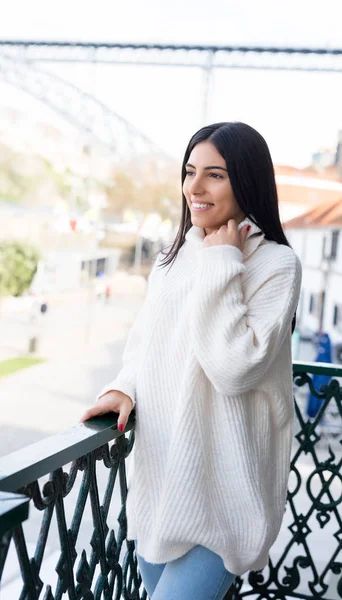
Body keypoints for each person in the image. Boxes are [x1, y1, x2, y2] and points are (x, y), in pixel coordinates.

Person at [80, 122, 302, 600]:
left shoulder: (277, 266)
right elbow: (146, 342)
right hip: (160, 489)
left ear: (247, 181)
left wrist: (223, 263)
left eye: (215, 175)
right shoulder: (172, 257)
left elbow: (233, 368)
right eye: (189, 171)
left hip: (224, 502)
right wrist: (124, 387)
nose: (194, 188)